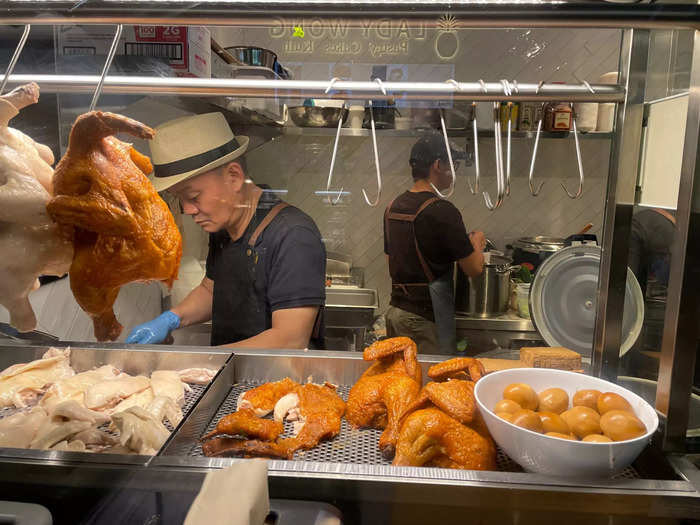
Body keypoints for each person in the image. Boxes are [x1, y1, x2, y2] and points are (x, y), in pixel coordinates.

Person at [126, 112, 326, 349]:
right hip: (233, 377)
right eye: (180, 199)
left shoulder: (293, 235)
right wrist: (171, 319)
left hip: (278, 383)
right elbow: (211, 290)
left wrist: (204, 360)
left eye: (193, 196)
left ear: (233, 177)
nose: (187, 210)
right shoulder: (224, 226)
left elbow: (290, 339)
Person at [384, 133, 485, 354]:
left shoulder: (392, 207)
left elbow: (392, 258)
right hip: (424, 320)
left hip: (395, 313)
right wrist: (476, 242)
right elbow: (474, 268)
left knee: (402, 382)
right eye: (454, 164)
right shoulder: (442, 211)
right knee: (430, 383)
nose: (454, 172)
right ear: (438, 165)